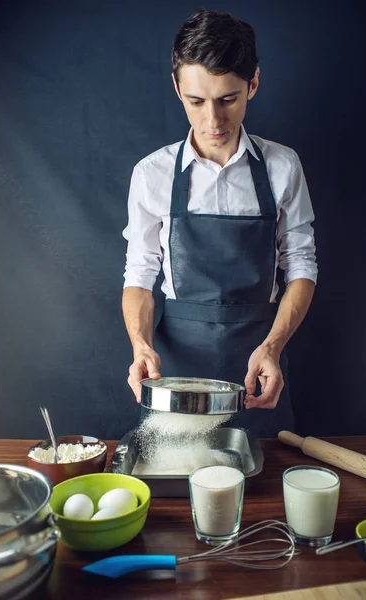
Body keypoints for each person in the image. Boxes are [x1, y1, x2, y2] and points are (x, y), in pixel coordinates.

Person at [121, 9, 317, 437]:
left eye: (228, 98)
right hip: (175, 373)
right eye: (196, 101)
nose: (213, 120)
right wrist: (140, 345)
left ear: (253, 84)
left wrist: (273, 347)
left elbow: (301, 265)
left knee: (265, 484)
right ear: (177, 87)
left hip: (260, 366)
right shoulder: (151, 173)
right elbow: (140, 271)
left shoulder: (283, 167)